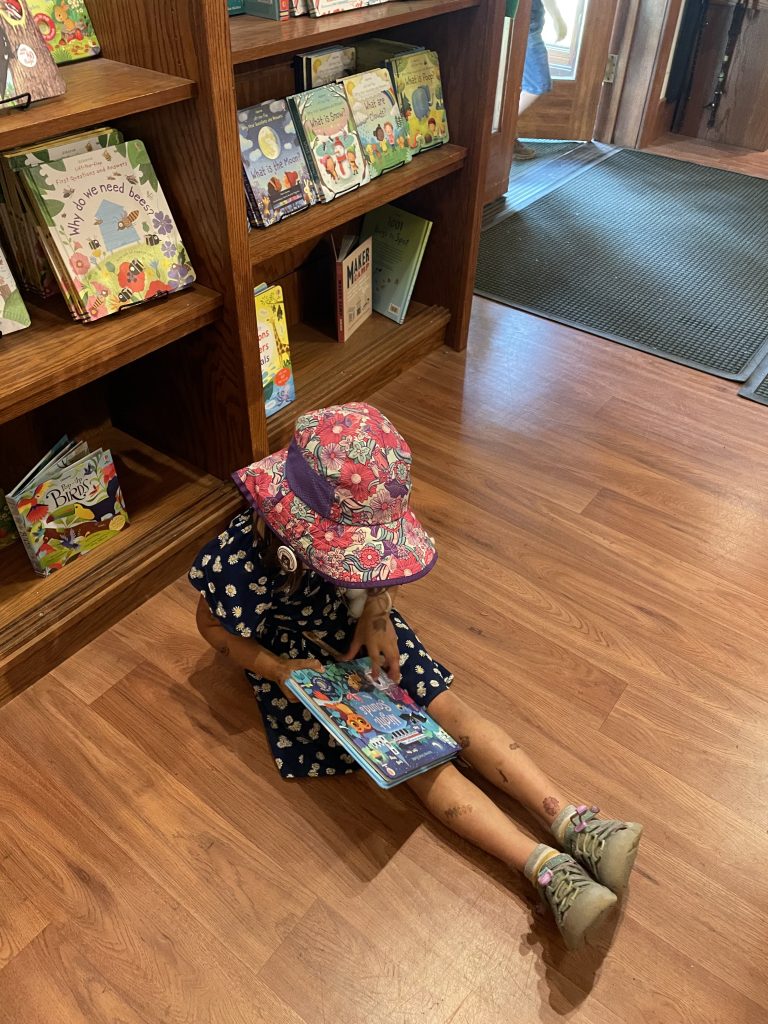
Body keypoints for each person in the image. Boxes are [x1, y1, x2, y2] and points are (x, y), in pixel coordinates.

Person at [189, 403, 643, 950]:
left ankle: (574, 822)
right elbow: (210, 623)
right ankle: (548, 871)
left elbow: (378, 567)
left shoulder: (362, 541)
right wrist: (278, 670)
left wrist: (378, 613)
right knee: (415, 758)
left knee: (450, 711)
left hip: (360, 623)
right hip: (302, 662)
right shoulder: (241, 556)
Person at [515, 0, 568, 160]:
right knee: (537, 83)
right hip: (522, 20)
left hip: (523, 18)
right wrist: (557, 17)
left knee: (526, 82)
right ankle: (499, 132)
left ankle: (505, 134)